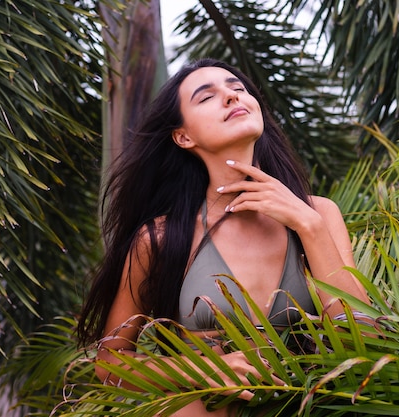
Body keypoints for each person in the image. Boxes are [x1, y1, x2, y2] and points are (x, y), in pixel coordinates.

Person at [77, 58, 370, 416]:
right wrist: (207, 370)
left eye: (238, 88)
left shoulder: (318, 215)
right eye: (207, 96)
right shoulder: (161, 239)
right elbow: (111, 364)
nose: (232, 97)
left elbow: (365, 341)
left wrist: (308, 226)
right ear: (183, 136)